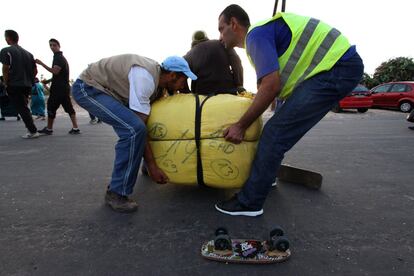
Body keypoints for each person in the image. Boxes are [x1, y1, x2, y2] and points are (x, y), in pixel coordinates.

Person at [215, 5, 364, 216]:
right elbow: (275, 84)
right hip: (336, 68)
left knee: (274, 134)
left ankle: (250, 202)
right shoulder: (259, 39)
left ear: (234, 24)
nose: (220, 36)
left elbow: (271, 85)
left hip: (337, 68)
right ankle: (267, 177)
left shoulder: (256, 35)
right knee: (277, 128)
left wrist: (241, 125)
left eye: (221, 29)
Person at [71, 54, 197, 213]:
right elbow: (140, 125)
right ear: (172, 75)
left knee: (140, 126)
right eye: (183, 80)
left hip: (109, 93)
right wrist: (153, 166)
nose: (182, 86)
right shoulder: (145, 78)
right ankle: (116, 192)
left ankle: (143, 166)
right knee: (133, 130)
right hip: (89, 88)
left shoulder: (157, 84)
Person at [35, 38, 80, 135]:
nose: (52, 47)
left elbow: (55, 71)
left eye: (54, 45)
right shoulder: (60, 57)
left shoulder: (58, 58)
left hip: (58, 89)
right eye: (50, 45)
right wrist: (49, 80)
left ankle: (49, 129)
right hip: (63, 87)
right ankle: (75, 128)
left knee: (51, 107)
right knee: (68, 107)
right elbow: (59, 74)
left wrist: (41, 63)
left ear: (59, 46)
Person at [0, 30, 39, 138]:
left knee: (22, 108)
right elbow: (35, 71)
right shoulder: (29, 54)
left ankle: (33, 131)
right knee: (24, 107)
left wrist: (6, 82)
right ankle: (30, 129)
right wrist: (30, 79)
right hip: (27, 85)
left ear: (8, 38)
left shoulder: (6, 50)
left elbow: (5, 68)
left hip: (15, 84)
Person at [183, 30, 244, 95]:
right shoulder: (222, 44)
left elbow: (181, 75)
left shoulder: (189, 55)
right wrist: (239, 84)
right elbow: (236, 63)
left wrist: (187, 93)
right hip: (228, 91)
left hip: (203, 96)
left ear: (193, 42)